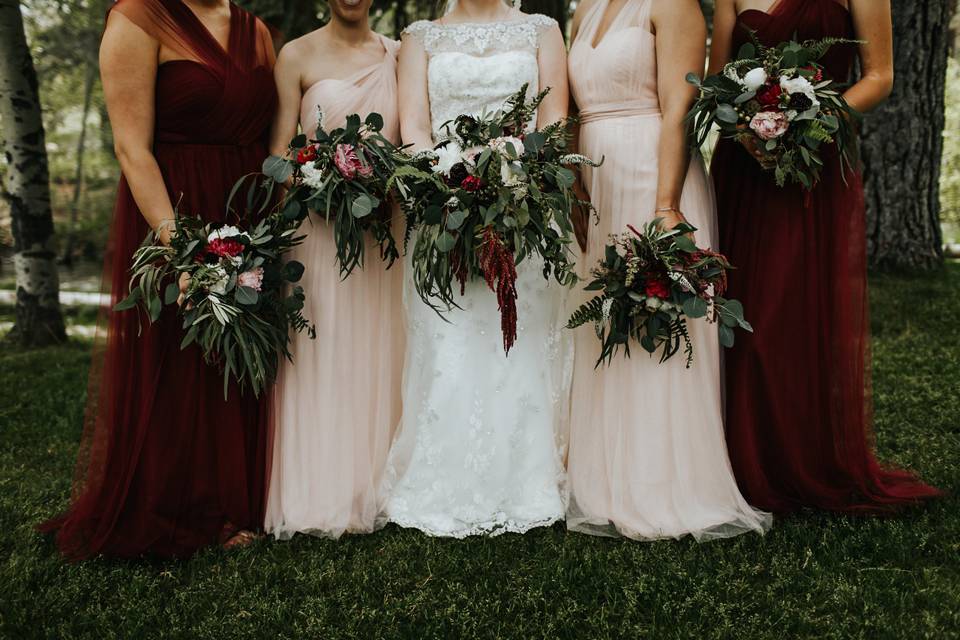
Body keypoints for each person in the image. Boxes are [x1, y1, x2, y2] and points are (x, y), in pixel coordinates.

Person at [41, 0, 277, 558]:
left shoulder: (256, 30)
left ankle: (239, 500)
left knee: (238, 355)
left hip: (249, 213)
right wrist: (188, 249)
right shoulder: (138, 17)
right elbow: (130, 147)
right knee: (178, 355)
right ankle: (182, 505)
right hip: (174, 211)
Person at [709, 0, 940, 513]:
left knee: (784, 313)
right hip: (744, 168)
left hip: (813, 162)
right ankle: (732, 462)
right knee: (737, 313)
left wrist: (807, 122)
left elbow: (879, 76)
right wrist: (746, 130)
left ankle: (795, 462)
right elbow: (716, 82)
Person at [564, 0, 771, 541]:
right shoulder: (583, 8)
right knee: (608, 328)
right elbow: (570, 110)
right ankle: (604, 480)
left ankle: (662, 485)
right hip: (599, 181)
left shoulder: (674, 4)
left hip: (653, 174)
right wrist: (574, 182)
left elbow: (681, 105)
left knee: (658, 326)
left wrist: (665, 203)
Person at [377, 0, 574, 538]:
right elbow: (414, 126)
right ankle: (444, 478)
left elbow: (555, 119)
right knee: (453, 338)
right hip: (445, 208)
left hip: (524, 208)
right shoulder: (421, 37)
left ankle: (527, 477)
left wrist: (518, 178)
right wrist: (451, 182)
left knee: (521, 341)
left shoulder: (543, 31)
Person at [263, 0, 404, 540]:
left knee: (379, 348)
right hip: (316, 234)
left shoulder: (398, 53)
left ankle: (379, 485)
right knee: (321, 352)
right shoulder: (296, 55)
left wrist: (380, 187)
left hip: (380, 233)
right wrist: (314, 183)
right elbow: (279, 152)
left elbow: (408, 144)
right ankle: (318, 490)